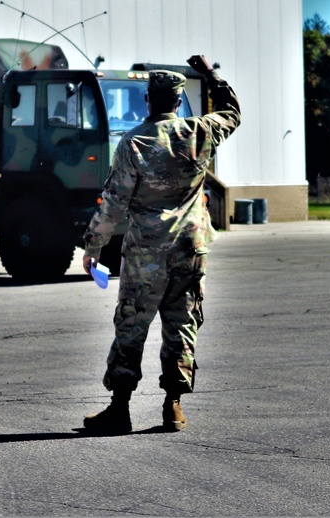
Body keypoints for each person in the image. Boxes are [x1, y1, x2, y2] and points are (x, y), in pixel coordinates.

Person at [81, 54, 241, 434]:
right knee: (182, 324)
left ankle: (119, 409)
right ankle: (174, 407)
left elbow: (114, 203)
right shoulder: (200, 132)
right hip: (190, 249)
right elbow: (233, 113)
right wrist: (211, 74)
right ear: (179, 101)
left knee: (132, 324)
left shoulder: (133, 143)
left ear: (148, 100)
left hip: (146, 253)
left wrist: (92, 247)